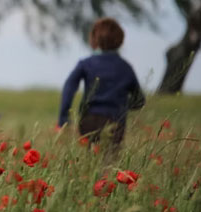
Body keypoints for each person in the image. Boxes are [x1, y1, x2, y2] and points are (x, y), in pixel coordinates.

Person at [57, 17, 145, 149]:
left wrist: (64, 117)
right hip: (116, 121)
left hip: (89, 120)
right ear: (120, 41)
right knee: (110, 161)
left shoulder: (86, 64)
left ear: (94, 39)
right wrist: (122, 106)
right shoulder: (126, 68)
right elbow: (139, 100)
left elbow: (69, 87)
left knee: (91, 158)